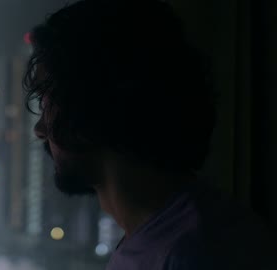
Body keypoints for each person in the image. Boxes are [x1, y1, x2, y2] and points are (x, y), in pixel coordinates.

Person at [23, 0, 275, 269]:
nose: (40, 131)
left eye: (48, 106)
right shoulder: (168, 238)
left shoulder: (195, 253)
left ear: (89, 106)